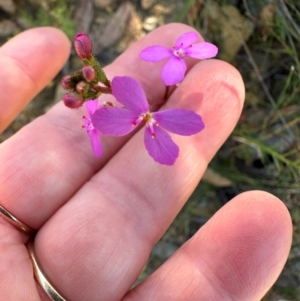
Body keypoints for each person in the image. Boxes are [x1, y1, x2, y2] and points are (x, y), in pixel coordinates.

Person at [0, 24, 292, 301]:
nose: (145, 120)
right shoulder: (103, 106)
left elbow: (121, 91)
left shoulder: (129, 91)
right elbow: (108, 105)